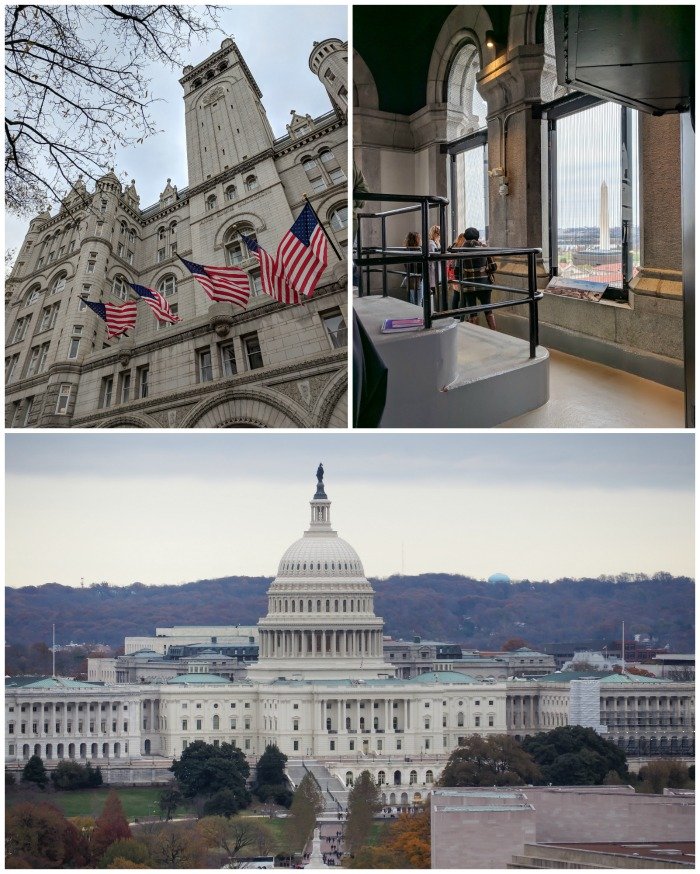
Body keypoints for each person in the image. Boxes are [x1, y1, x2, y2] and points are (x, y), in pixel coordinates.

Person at [460, 226, 497, 329]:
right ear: (477, 237)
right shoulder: (484, 248)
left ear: (465, 237)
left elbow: (456, 270)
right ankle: (494, 331)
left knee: (472, 312)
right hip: (484, 283)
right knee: (488, 310)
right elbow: (493, 267)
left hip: (468, 285)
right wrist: (484, 271)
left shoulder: (460, 250)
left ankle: (474, 334)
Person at [446, 231, 466, 314]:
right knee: (461, 296)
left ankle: (455, 315)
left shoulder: (454, 247)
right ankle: (460, 316)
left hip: (453, 274)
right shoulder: (462, 248)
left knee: (456, 294)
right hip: (459, 274)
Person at [403, 231, 423, 306]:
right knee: (418, 302)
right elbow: (420, 266)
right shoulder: (418, 251)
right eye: (419, 238)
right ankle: (419, 317)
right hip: (417, 278)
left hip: (410, 278)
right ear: (416, 240)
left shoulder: (406, 250)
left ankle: (414, 316)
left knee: (412, 301)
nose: (421, 240)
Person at [427, 224, 441, 307]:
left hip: (436, 271)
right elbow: (434, 257)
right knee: (432, 293)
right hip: (433, 272)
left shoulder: (436, 243)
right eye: (439, 234)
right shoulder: (431, 243)